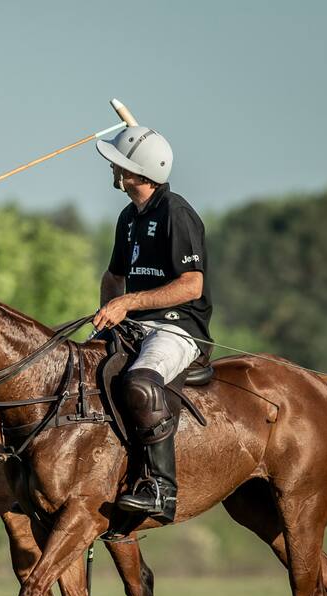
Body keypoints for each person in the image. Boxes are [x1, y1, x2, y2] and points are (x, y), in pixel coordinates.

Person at [92, 126, 212, 523]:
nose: (111, 167)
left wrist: (130, 301)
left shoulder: (176, 212)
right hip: (137, 327)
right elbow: (113, 277)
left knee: (140, 382)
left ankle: (161, 488)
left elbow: (192, 285)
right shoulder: (129, 216)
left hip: (180, 327)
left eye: (119, 163)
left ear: (136, 173)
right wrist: (107, 314)